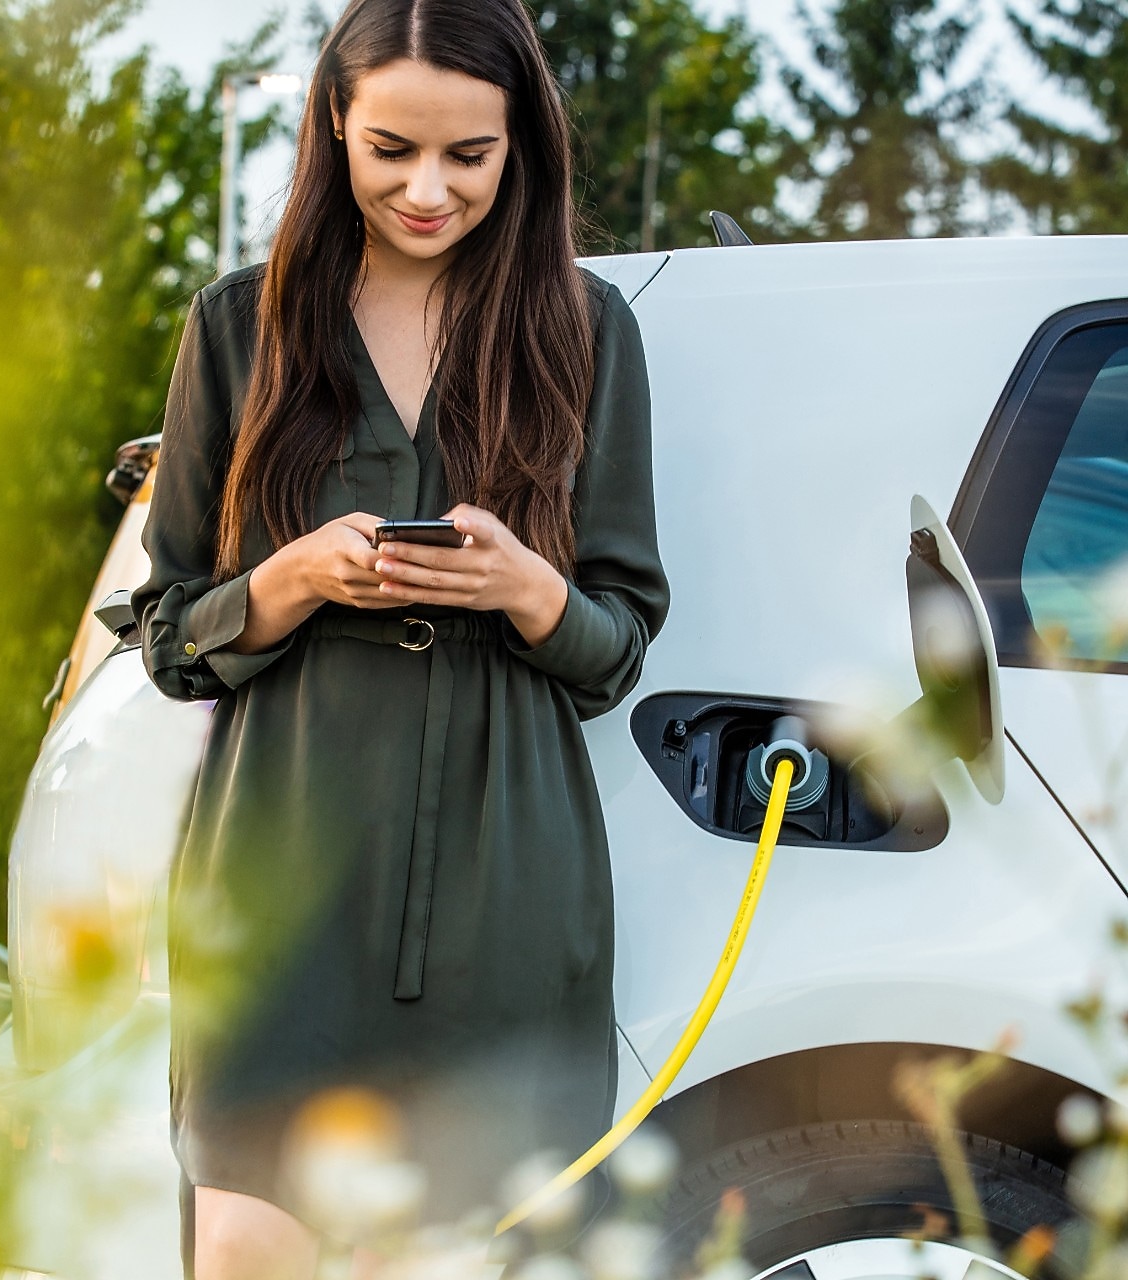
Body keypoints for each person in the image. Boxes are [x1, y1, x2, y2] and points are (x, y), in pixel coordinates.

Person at [131, 0, 669, 1274]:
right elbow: (167, 634)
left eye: (467, 156)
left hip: (502, 875)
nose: (427, 190)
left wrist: (524, 585)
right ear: (335, 124)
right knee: (246, 1245)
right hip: (282, 859)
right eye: (391, 149)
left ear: (518, 145)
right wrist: (292, 576)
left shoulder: (587, 327)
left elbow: (618, 641)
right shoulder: (238, 323)